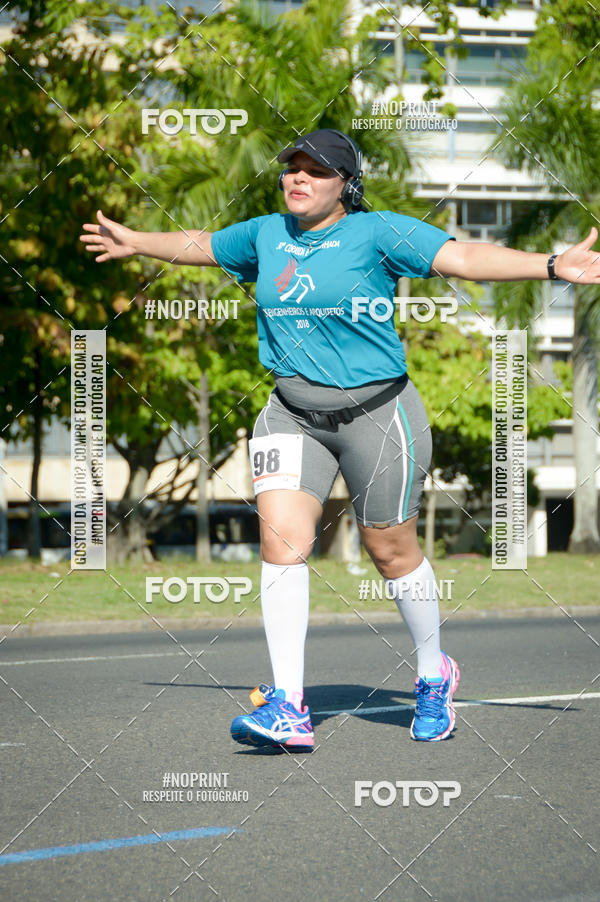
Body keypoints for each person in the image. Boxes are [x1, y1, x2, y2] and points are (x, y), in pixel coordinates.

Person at [80, 128, 600, 751]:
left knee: (391, 552)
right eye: (291, 168)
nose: (297, 178)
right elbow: (203, 245)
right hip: (292, 411)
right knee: (282, 542)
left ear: (345, 185)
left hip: (379, 414)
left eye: (315, 171)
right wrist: (136, 242)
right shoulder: (266, 234)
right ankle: (289, 707)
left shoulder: (377, 231)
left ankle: (434, 673)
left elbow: (462, 257)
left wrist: (550, 266)